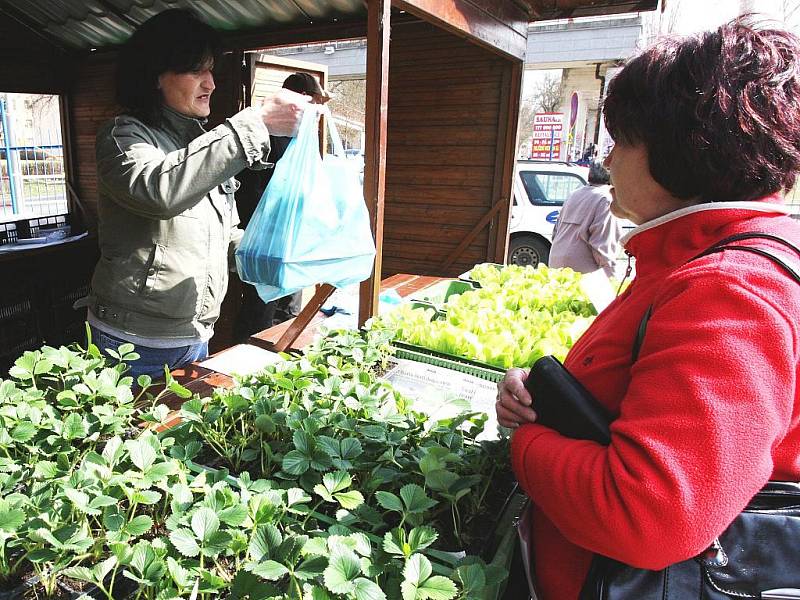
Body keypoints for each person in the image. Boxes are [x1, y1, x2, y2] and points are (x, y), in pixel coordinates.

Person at [496, 18, 800, 600]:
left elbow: (648, 514)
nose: (608, 158)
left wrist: (524, 444)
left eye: (623, 138)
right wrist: (546, 400)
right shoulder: (702, 256)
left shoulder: (730, 290)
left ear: (681, 147)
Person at [79, 9, 309, 380]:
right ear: (155, 76)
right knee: (137, 437)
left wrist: (269, 250)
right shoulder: (122, 138)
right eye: (195, 71)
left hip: (196, 334)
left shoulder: (202, 146)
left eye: (211, 71)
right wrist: (256, 122)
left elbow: (223, 236)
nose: (211, 84)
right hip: (133, 340)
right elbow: (160, 191)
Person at [233, 72, 331, 343]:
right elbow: (253, 190)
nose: (316, 110)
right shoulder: (267, 134)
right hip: (263, 235)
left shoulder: (302, 138)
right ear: (298, 99)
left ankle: (281, 355)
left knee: (289, 302)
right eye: (313, 102)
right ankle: (245, 357)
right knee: (260, 304)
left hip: (290, 235)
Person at [548, 160, 622, 278]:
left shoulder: (574, 194)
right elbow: (603, 246)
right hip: (583, 271)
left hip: (555, 261)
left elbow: (556, 232)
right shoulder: (606, 199)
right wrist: (612, 278)